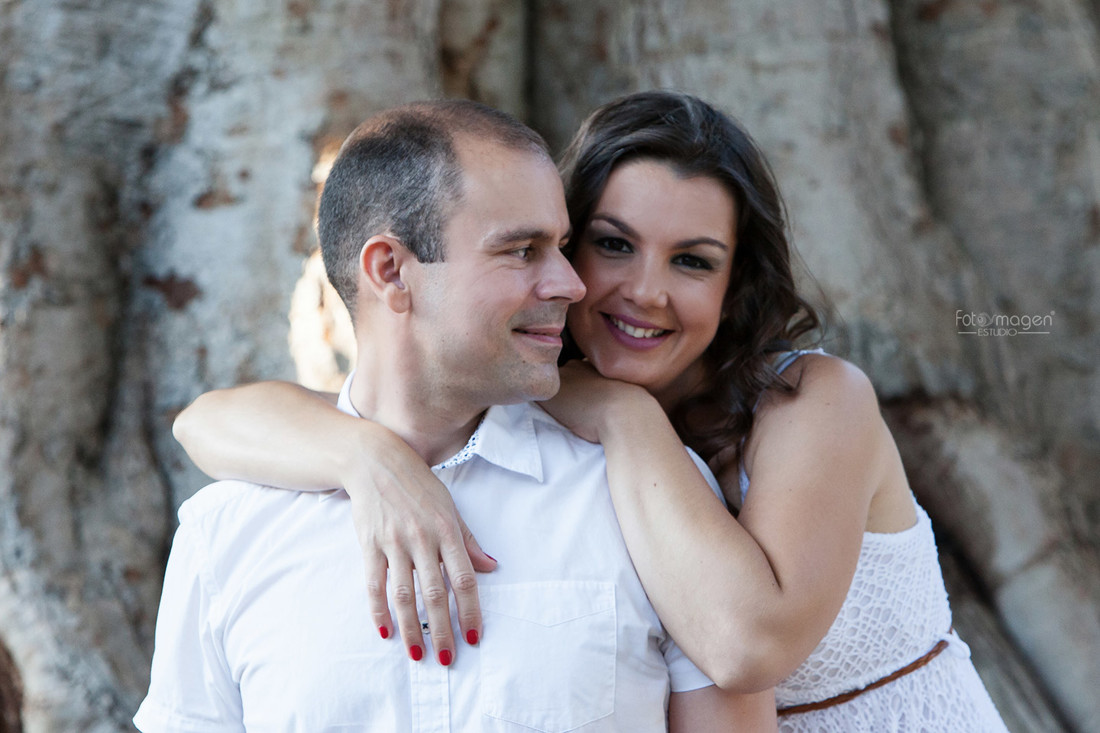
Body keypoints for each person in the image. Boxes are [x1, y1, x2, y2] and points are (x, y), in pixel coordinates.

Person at [174, 91, 1010, 732]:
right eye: (611, 243)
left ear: (733, 283)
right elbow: (204, 423)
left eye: (692, 260)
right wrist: (371, 459)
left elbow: (748, 645)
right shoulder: (525, 386)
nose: (642, 290)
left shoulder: (810, 401)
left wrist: (625, 416)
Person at [135, 99, 769, 732]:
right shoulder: (228, 532)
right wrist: (370, 458)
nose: (571, 285)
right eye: (522, 250)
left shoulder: (640, 496)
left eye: (565, 247)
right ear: (391, 271)